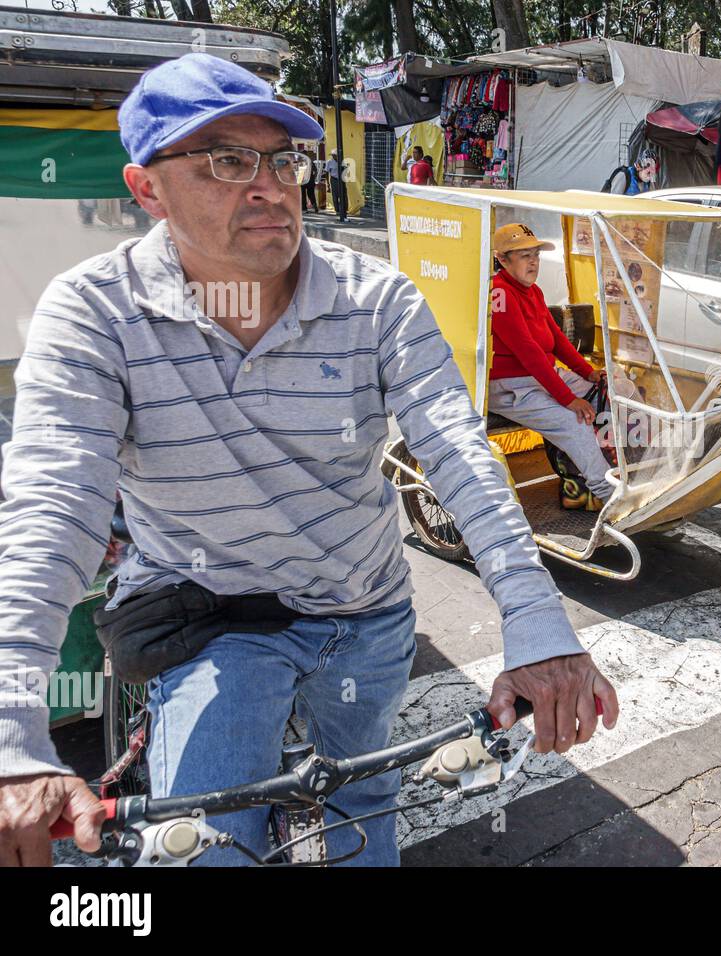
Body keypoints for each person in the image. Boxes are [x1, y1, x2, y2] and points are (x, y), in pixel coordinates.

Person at [0, 53, 618, 867]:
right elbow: (55, 508)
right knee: (203, 850)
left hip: (367, 614)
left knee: (366, 809)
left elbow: (460, 455)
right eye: (227, 160)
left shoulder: (377, 299)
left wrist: (537, 622)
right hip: (219, 618)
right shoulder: (94, 312)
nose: (269, 184)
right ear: (146, 189)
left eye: (285, 159)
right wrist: (13, 729)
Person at [487, 224, 614, 511]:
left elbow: (556, 340)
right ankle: (608, 495)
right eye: (524, 256)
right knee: (575, 422)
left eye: (535, 255)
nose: (533, 262)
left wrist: (588, 372)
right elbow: (529, 353)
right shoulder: (500, 294)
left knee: (617, 389)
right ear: (503, 259)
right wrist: (569, 399)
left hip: (542, 377)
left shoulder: (534, 292)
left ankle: (616, 471)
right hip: (512, 386)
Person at [324, 148, 347, 222]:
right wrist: (327, 183)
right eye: (334, 155)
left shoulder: (342, 161)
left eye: (336, 155)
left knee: (343, 195)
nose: (335, 156)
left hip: (342, 180)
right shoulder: (329, 162)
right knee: (335, 195)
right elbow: (326, 173)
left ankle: (343, 210)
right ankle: (337, 210)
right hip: (334, 179)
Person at [299, 148, 318, 213]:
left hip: (303, 180)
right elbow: (315, 171)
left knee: (303, 194)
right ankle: (314, 205)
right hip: (310, 179)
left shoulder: (300, 161)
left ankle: (304, 208)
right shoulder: (310, 161)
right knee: (311, 194)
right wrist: (314, 177)